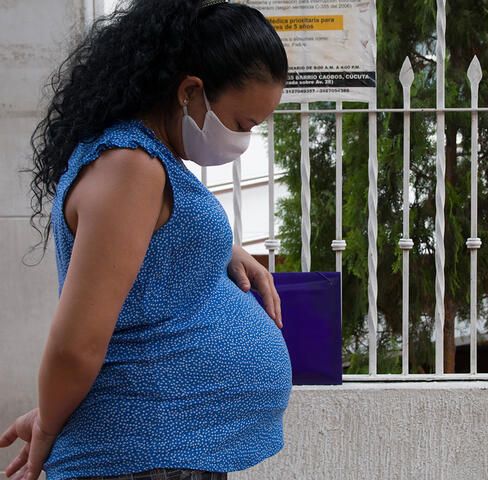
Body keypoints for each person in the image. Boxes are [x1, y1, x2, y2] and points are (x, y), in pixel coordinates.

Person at [0, 1, 292, 479]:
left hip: (163, 453)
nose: (244, 141)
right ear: (191, 91)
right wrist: (50, 423)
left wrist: (222, 249)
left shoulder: (146, 162)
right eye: (243, 124)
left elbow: (152, 242)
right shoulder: (131, 166)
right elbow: (75, 343)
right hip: (145, 456)